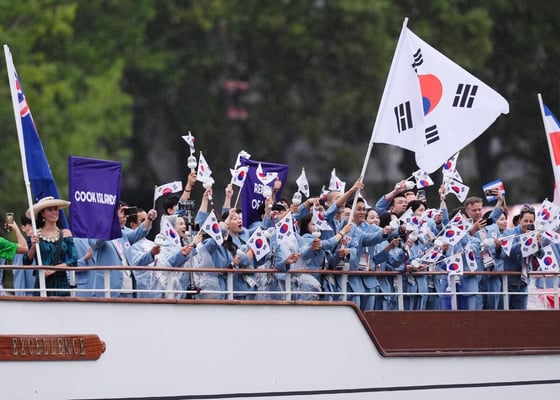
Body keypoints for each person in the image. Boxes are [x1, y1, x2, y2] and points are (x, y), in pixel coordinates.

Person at [89, 202, 158, 298]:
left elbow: (140, 232)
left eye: (123, 215)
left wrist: (149, 219)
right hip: (109, 290)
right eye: (118, 215)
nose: (122, 218)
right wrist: (112, 219)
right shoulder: (98, 232)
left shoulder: (123, 235)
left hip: (128, 288)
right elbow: (96, 243)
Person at [23, 197, 77, 296]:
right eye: (50, 210)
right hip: (42, 284)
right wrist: (33, 247)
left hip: (62, 285)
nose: (54, 212)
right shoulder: (33, 234)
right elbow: (26, 262)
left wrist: (54, 269)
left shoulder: (66, 233)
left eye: (56, 209)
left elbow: (74, 260)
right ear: (42, 213)